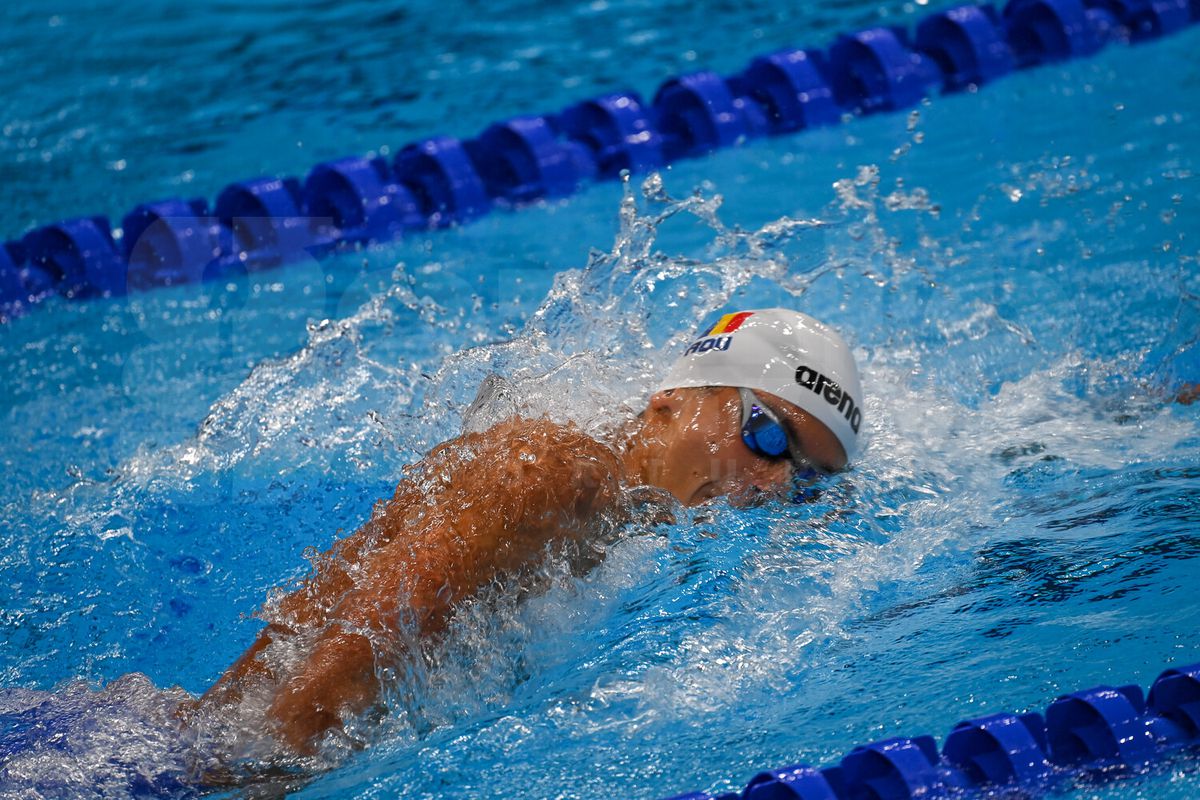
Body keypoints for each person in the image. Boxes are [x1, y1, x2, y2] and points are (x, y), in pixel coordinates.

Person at [183, 307, 864, 761]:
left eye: (807, 481)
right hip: (194, 764)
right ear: (668, 402)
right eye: (766, 435)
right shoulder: (551, 477)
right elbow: (323, 687)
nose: (776, 486)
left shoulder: (632, 518)